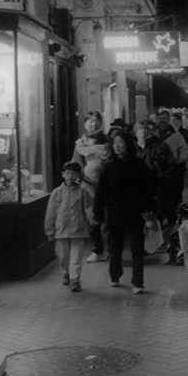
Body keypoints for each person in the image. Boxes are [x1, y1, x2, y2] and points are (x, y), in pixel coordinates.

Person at [94, 130, 157, 293]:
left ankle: (138, 282)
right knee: (115, 247)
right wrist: (98, 214)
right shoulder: (108, 166)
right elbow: (101, 192)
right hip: (115, 212)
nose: (117, 146)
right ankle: (115, 275)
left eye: (120, 143)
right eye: (114, 143)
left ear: (128, 144)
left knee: (137, 249)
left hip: (135, 211)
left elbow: (148, 190)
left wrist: (150, 212)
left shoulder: (139, 165)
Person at [44, 162, 94, 292]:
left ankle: (75, 279)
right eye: (68, 173)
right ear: (63, 174)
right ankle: (66, 272)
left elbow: (89, 209)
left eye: (74, 173)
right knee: (63, 256)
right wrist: (49, 229)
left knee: (76, 256)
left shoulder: (83, 192)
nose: (70, 176)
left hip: (78, 229)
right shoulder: (57, 193)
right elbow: (51, 212)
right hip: (61, 230)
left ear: (78, 175)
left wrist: (94, 221)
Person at [72, 111, 111, 263]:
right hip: (87, 186)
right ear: (85, 124)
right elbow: (75, 164)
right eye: (90, 121)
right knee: (92, 218)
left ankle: (111, 249)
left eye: (96, 121)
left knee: (108, 218)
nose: (93, 124)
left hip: (106, 185)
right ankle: (98, 249)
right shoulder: (80, 144)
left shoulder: (107, 141)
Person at [155, 110, 188, 227]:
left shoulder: (175, 134)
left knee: (171, 196)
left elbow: (184, 148)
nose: (162, 121)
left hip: (172, 170)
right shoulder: (154, 133)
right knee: (159, 197)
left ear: (168, 119)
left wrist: (181, 159)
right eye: (160, 118)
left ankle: (171, 220)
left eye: (164, 118)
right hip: (157, 170)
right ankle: (160, 219)